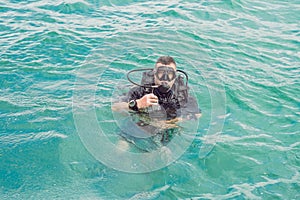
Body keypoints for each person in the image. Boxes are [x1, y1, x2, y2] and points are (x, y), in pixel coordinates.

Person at [126, 56, 201, 121]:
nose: (165, 78)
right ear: (154, 74)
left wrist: (168, 124)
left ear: (175, 77)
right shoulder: (141, 91)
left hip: (169, 126)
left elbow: (197, 115)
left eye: (170, 74)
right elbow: (116, 107)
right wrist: (137, 104)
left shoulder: (182, 95)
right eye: (161, 73)